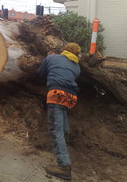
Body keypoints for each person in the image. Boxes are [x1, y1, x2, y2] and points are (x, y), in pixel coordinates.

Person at [38, 43, 81, 181]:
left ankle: (64, 167)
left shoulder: (53, 57)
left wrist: (47, 58)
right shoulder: (77, 67)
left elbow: (40, 73)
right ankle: (67, 137)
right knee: (62, 115)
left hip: (56, 93)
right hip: (71, 97)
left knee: (55, 130)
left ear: (65, 50)